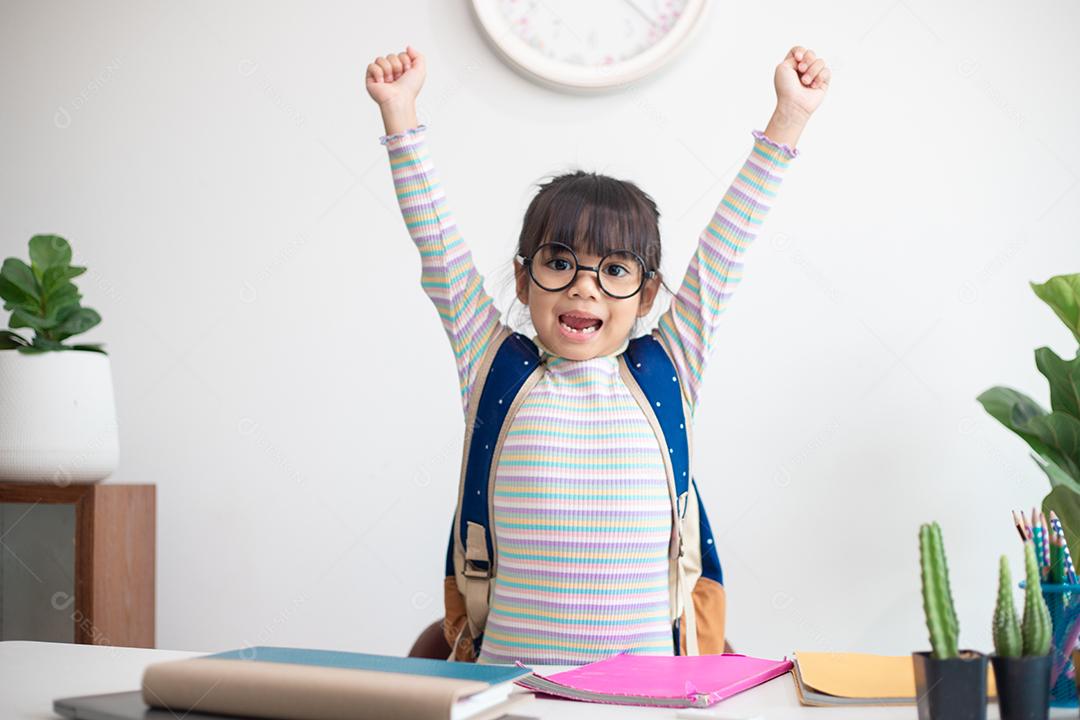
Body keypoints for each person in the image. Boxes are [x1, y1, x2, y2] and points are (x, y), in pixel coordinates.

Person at [366, 44, 829, 664]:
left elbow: (726, 250)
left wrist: (789, 118)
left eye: (614, 269)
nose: (584, 286)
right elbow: (439, 246)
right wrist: (399, 113)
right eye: (560, 263)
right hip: (508, 691)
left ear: (647, 296)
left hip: (644, 698)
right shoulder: (492, 364)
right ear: (523, 280)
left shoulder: (669, 366)